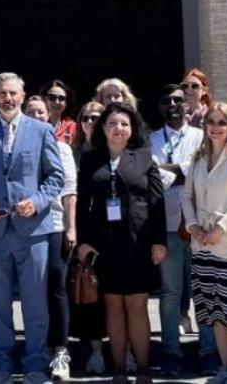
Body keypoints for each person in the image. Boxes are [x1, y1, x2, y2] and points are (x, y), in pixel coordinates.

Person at [0, 73, 64, 384]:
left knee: (35, 303)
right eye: (1, 94)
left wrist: (36, 202)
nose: (7, 98)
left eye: (12, 93)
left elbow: (55, 178)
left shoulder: (41, 131)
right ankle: (2, 366)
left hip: (33, 231)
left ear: (22, 97)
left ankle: (35, 365)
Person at [75, 103, 166, 384]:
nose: (119, 128)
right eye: (113, 123)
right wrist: (83, 242)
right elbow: (81, 205)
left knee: (137, 305)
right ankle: (119, 371)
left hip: (139, 243)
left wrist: (159, 242)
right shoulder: (91, 159)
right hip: (104, 245)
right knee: (113, 306)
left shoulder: (144, 157)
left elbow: (156, 203)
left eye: (124, 124)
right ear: (103, 128)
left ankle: (141, 370)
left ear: (132, 129)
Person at [181, 103, 227, 384]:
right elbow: (186, 196)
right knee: (213, 312)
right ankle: (225, 368)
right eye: (211, 121)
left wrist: (221, 228)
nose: (215, 127)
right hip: (201, 246)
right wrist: (192, 226)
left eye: (222, 122)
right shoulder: (198, 158)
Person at [149, 86, 218, 377]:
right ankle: (171, 352)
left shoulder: (202, 136)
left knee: (204, 290)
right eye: (168, 101)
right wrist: (182, 170)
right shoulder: (150, 139)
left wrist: (172, 170)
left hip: (200, 225)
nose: (174, 105)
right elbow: (152, 175)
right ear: (161, 107)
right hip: (166, 225)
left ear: (186, 105)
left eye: (179, 100)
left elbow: (202, 170)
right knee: (170, 293)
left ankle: (209, 351)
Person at [24, 97, 76, 380]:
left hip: (54, 224)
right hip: (26, 227)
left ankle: (60, 351)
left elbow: (69, 191)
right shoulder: (18, 146)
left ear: (49, 116)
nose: (36, 116)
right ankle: (38, 347)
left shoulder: (62, 148)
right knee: (33, 288)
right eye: (30, 112)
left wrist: (71, 228)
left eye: (40, 112)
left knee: (56, 287)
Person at [67, 100, 107, 374]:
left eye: (96, 117)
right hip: (83, 231)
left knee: (115, 296)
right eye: (86, 118)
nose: (91, 122)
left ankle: (123, 348)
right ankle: (95, 352)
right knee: (90, 294)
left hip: (113, 232)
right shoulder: (72, 154)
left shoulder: (115, 150)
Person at [38, 80, 78, 145]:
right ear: (44, 99)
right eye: (52, 97)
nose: (57, 102)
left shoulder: (73, 127)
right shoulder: (37, 121)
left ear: (66, 103)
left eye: (61, 98)